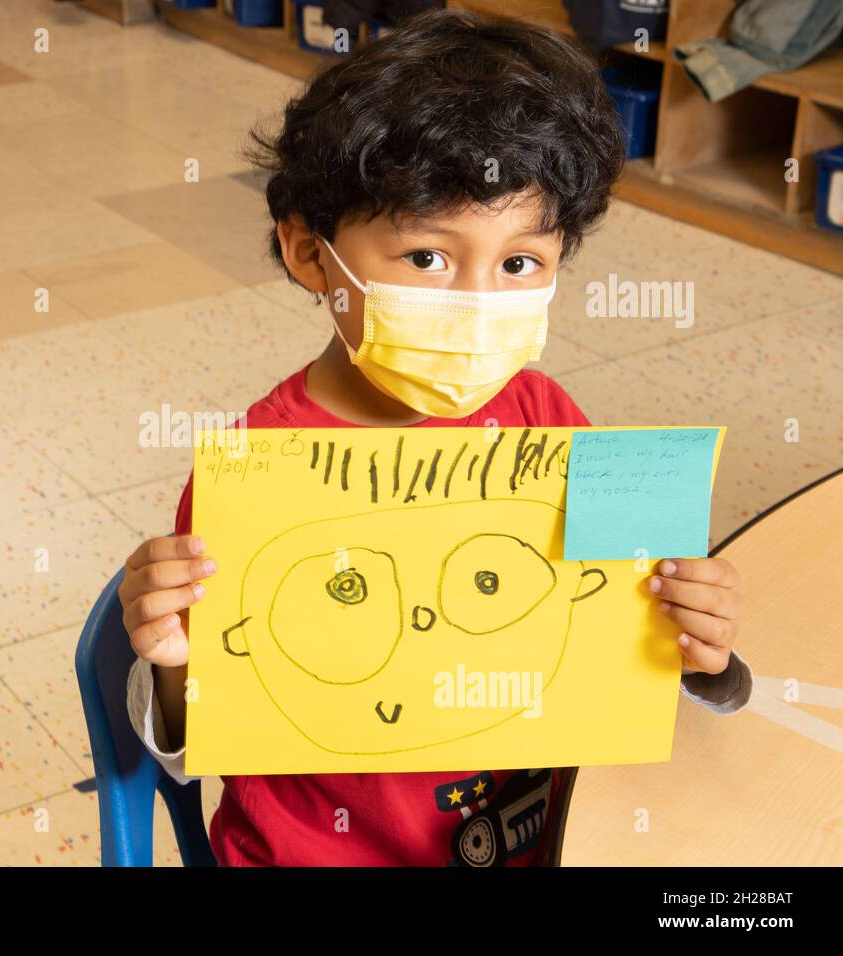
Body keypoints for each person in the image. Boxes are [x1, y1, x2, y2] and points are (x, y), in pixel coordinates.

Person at [119, 8, 750, 867]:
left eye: (519, 263)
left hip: (540, 841)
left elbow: (626, 646)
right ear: (310, 254)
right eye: (426, 258)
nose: (478, 303)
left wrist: (701, 644)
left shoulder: (548, 418)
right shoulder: (258, 472)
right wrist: (167, 665)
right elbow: (204, 734)